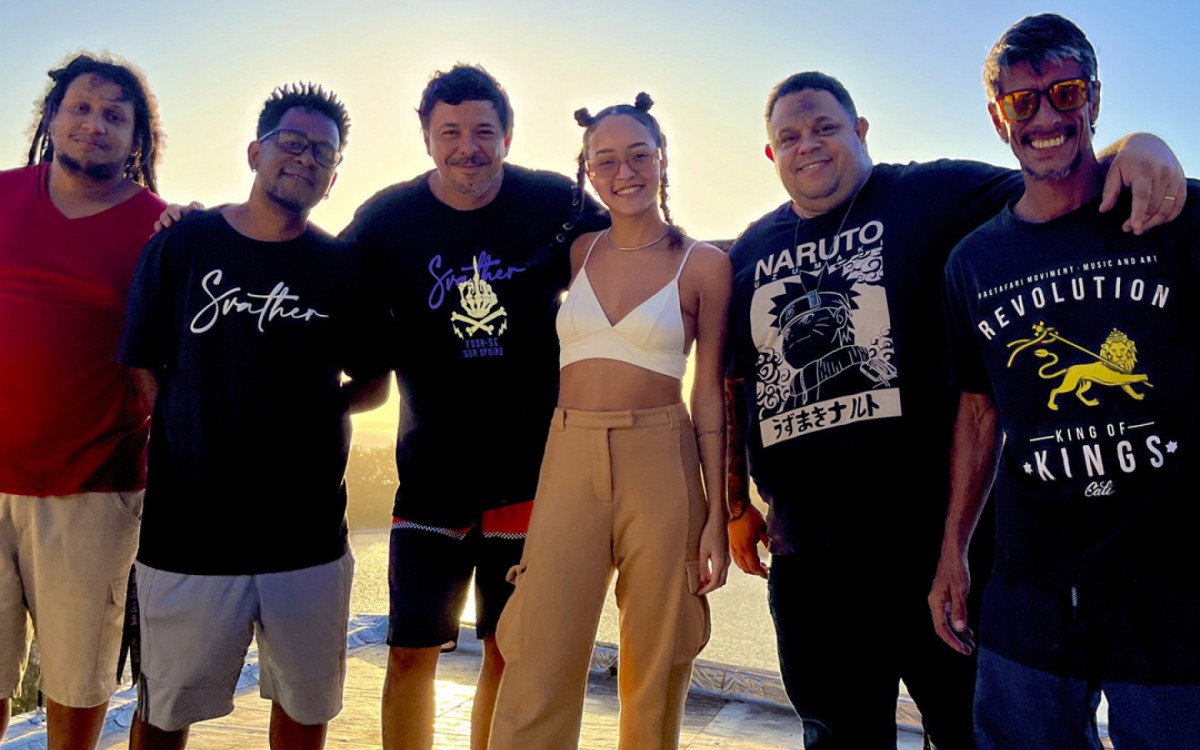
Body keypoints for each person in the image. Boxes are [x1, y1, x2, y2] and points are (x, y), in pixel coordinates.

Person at [723, 70, 1185, 748]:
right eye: (789, 137)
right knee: (836, 735)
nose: (808, 145)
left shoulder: (931, 193)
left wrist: (1137, 145)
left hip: (938, 554)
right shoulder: (748, 251)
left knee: (968, 732)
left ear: (861, 131)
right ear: (771, 153)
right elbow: (737, 382)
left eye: (825, 127)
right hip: (810, 560)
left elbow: (1054, 173)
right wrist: (736, 503)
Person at [930, 14, 1200, 748]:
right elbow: (979, 412)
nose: (1046, 117)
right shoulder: (973, 263)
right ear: (999, 119)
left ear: (1094, 98)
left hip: (1171, 578)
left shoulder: (1172, 213)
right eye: (1023, 101)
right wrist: (954, 550)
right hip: (1032, 582)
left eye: (1066, 92)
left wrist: (1148, 144)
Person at [339, 64, 608, 750]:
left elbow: (636, 245)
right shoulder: (387, 218)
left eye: (484, 131)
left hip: (530, 476)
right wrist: (204, 229)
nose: (468, 147)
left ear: (507, 135)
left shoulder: (554, 201)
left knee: (508, 651)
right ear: (427, 138)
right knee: (410, 653)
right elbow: (315, 276)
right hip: (430, 478)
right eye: (450, 132)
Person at [118, 83, 390, 750]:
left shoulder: (343, 268)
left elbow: (375, 382)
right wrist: (192, 418)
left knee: (304, 708)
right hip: (187, 530)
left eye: (322, 153)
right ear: (254, 152)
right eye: (291, 143)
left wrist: (315, 414)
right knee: (164, 711)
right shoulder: (183, 245)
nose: (305, 159)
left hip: (307, 537)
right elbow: (141, 361)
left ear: (333, 177)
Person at [487, 93, 731, 750]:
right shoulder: (578, 253)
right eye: (606, 160)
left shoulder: (704, 265)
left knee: (658, 661)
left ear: (661, 159)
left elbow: (709, 396)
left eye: (639, 155)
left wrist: (717, 513)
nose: (624, 172)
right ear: (588, 172)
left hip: (663, 458)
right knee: (538, 647)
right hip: (569, 453)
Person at [0, 52, 165, 750]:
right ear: (52, 117)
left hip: (93, 490)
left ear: (136, 138)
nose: (95, 124)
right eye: (81, 108)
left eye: (114, 116)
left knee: (77, 686)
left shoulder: (158, 229)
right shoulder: (2, 195)